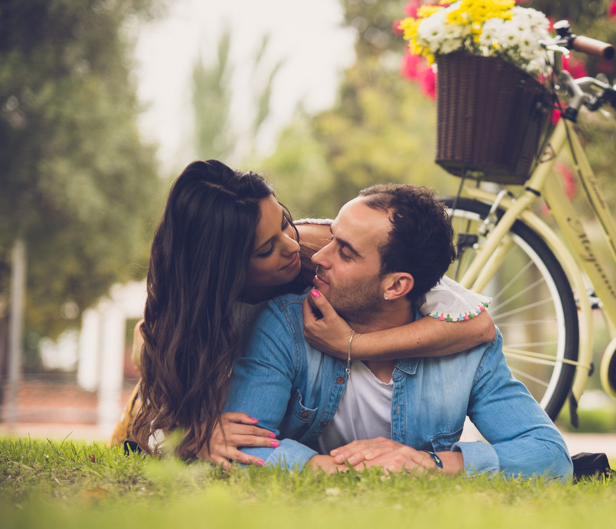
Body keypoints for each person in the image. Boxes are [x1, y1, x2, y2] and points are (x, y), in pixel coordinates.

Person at [116, 161, 496, 465]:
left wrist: (353, 345)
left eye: (283, 220)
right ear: (224, 271)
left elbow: (478, 326)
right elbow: (166, 392)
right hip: (193, 381)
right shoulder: (190, 315)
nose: (292, 248)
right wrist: (198, 433)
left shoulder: (318, 246)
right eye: (265, 250)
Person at [222, 184, 572, 479]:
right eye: (332, 239)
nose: (319, 258)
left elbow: (550, 456)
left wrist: (426, 464)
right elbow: (244, 445)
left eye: (345, 252)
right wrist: (334, 468)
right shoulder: (286, 324)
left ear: (396, 286)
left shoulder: (469, 351)